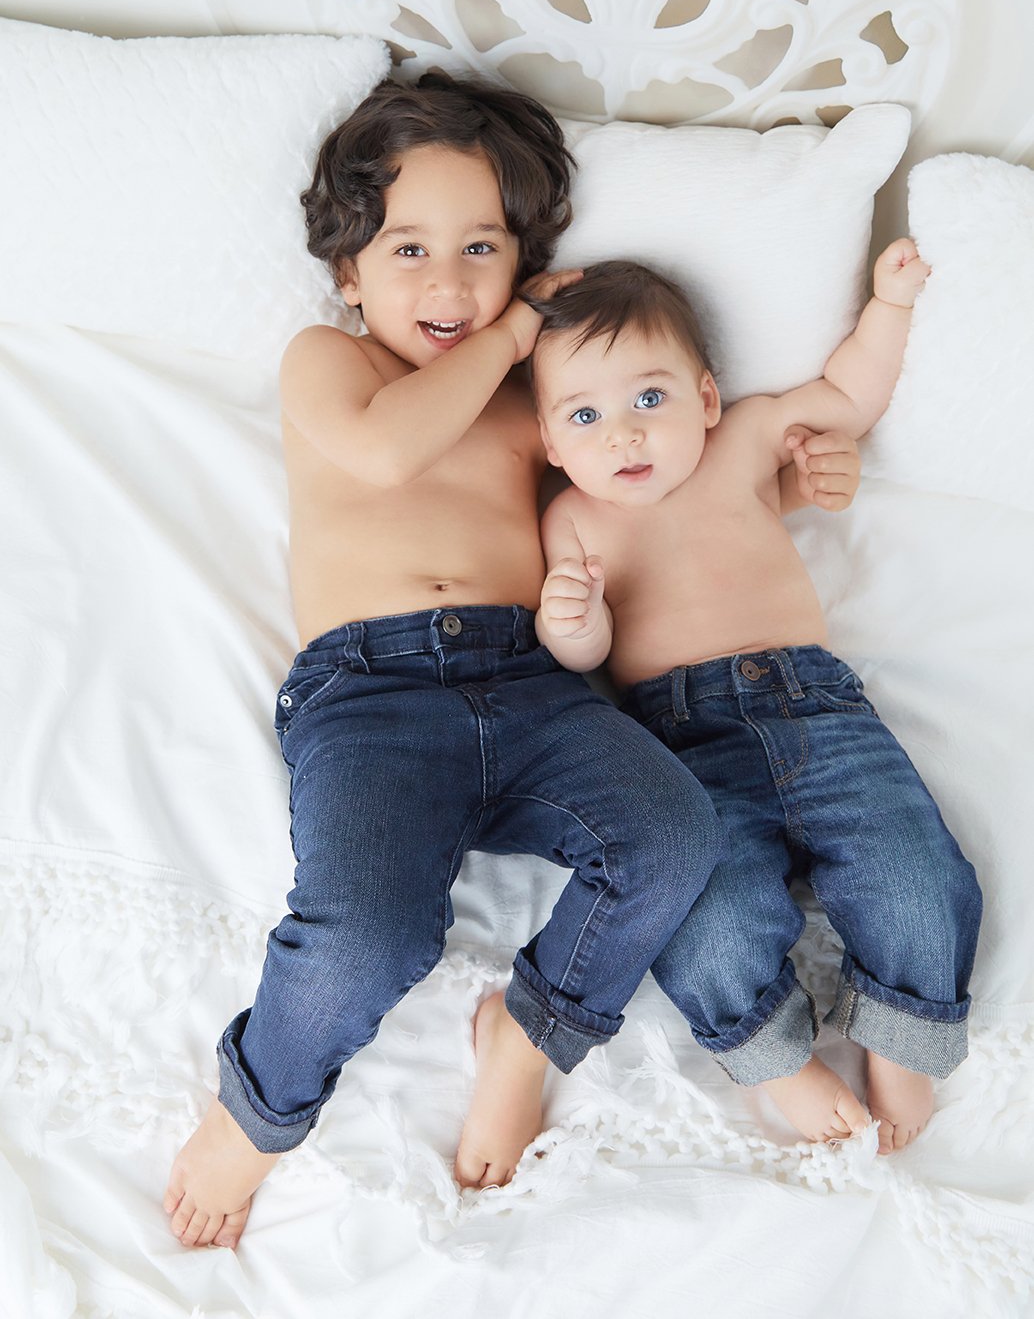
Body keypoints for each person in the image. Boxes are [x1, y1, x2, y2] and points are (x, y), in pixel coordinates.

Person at [162, 73, 727, 1251]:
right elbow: (381, 454)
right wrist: (519, 327)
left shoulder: (529, 401)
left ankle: (527, 1032)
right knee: (365, 932)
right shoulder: (332, 365)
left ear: (521, 253)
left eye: (482, 247)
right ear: (345, 272)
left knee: (672, 832)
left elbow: (639, 463)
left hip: (529, 680)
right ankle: (255, 1116)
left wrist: (777, 460)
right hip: (368, 696)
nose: (448, 281)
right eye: (407, 247)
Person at [530, 254, 982, 1156]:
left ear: (705, 398)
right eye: (586, 417)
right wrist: (569, 622)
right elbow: (586, 656)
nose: (622, 436)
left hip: (815, 706)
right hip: (676, 738)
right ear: (549, 442)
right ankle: (775, 1057)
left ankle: (904, 1031)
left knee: (913, 868)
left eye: (647, 400)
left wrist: (888, 307)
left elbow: (846, 399)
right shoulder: (571, 518)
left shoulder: (740, 443)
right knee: (710, 915)